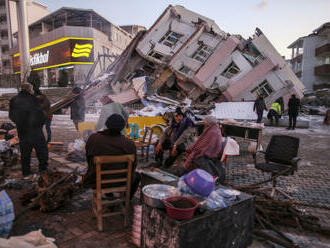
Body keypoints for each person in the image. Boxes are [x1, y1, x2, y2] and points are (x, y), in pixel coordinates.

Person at [83, 114, 140, 198]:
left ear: (107, 124)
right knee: (137, 176)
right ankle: (125, 200)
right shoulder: (130, 144)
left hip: (96, 181)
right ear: (122, 127)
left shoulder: (93, 139)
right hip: (121, 182)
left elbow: (89, 160)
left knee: (97, 170)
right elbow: (133, 166)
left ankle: (109, 196)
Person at [9, 83, 48, 177]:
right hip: (35, 130)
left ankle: (26, 172)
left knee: (25, 153)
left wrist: (19, 123)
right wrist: (39, 124)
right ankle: (43, 170)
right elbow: (40, 115)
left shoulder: (14, 100)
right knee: (41, 151)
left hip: (22, 131)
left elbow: (11, 116)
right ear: (30, 90)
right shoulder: (34, 99)